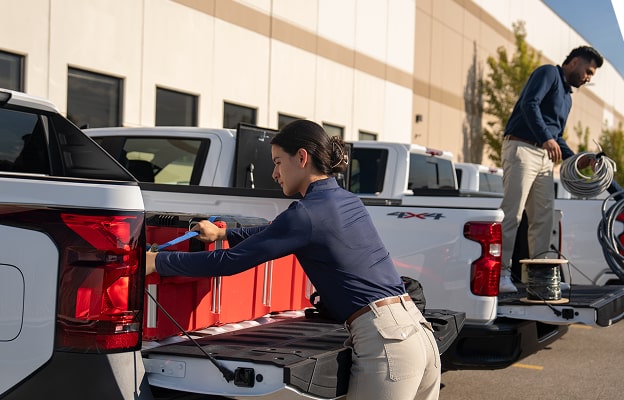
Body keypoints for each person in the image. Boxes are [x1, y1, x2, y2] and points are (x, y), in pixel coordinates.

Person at [145, 119, 442, 400]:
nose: (275, 173)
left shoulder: (307, 213)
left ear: (301, 158)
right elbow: (276, 231)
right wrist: (223, 235)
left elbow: (229, 263)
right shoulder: (346, 200)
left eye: (277, 162)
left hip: (387, 343)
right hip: (417, 331)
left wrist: (157, 262)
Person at [498, 45, 604, 293]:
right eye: (588, 71)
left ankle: (542, 278)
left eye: (592, 75)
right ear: (574, 61)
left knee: (543, 218)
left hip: (545, 157)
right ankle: (501, 274)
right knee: (512, 214)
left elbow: (557, 137)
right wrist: (547, 138)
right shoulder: (548, 74)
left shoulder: (567, 98)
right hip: (522, 149)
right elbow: (530, 103)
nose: (588, 78)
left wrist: (579, 159)